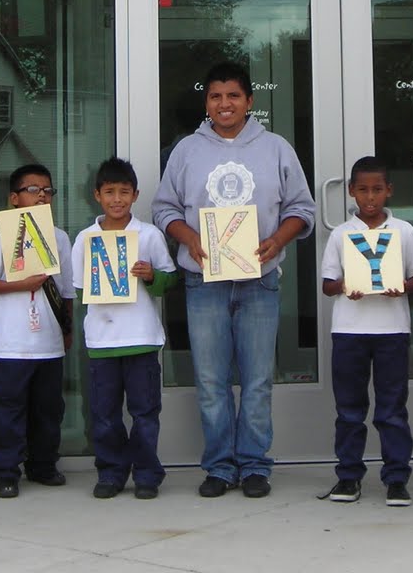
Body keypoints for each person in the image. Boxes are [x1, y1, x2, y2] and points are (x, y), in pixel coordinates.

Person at [151, 60, 316, 499]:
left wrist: (278, 240)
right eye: (215, 96)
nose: (224, 104)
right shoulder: (187, 150)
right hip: (203, 280)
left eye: (233, 96)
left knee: (258, 379)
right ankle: (220, 466)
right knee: (210, 379)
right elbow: (163, 208)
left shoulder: (276, 148)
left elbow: (303, 209)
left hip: (259, 280)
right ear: (206, 102)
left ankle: (256, 464)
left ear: (249, 101)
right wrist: (189, 238)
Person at [319, 156, 413, 506]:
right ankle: (348, 477)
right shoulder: (341, 234)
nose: (370, 197)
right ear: (351, 192)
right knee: (349, 408)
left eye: (377, 190)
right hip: (349, 330)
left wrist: (402, 287)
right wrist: (347, 284)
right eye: (363, 190)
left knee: (392, 408)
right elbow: (328, 285)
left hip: (392, 330)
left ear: (389, 191)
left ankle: (396, 478)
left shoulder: (403, 232)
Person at [71, 157, 178, 500]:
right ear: (97, 196)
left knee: (145, 412)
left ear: (135, 195)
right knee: (104, 414)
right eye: (109, 192)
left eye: (124, 192)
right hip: (103, 341)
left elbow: (168, 280)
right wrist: (99, 281)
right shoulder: (85, 239)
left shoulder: (148, 235)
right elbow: (77, 289)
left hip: (142, 339)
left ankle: (146, 473)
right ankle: (111, 471)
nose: (117, 199)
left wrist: (150, 276)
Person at [0, 163, 75, 499]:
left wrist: (67, 328)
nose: (41, 196)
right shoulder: (3, 235)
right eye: (33, 190)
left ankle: (43, 464)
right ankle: (5, 470)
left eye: (47, 190)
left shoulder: (59, 237)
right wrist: (22, 284)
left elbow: (67, 291)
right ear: (14, 198)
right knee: (9, 408)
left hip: (48, 340)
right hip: (11, 342)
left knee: (48, 408)